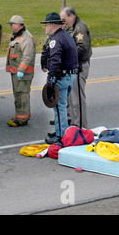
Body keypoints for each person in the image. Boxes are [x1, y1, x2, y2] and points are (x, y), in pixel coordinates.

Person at [40, 12, 79, 144]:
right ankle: (62, 133)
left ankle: (61, 138)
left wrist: (50, 79)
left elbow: (55, 60)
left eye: (46, 25)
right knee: (62, 106)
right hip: (70, 76)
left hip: (62, 77)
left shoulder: (56, 39)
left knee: (59, 108)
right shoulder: (66, 36)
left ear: (52, 25)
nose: (45, 28)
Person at [60, 7, 92, 129]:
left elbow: (81, 48)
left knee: (77, 99)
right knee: (70, 99)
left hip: (78, 66)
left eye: (64, 19)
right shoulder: (71, 27)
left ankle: (81, 127)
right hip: (72, 67)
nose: (63, 22)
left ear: (72, 16)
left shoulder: (80, 28)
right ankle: (73, 123)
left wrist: (68, 59)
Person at [6, 15, 36, 127]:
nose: (10, 27)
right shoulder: (18, 36)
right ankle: (22, 115)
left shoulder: (26, 38)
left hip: (23, 74)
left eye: (12, 25)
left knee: (22, 95)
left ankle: (22, 119)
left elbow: (27, 56)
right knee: (19, 94)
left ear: (18, 25)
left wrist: (21, 70)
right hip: (17, 73)